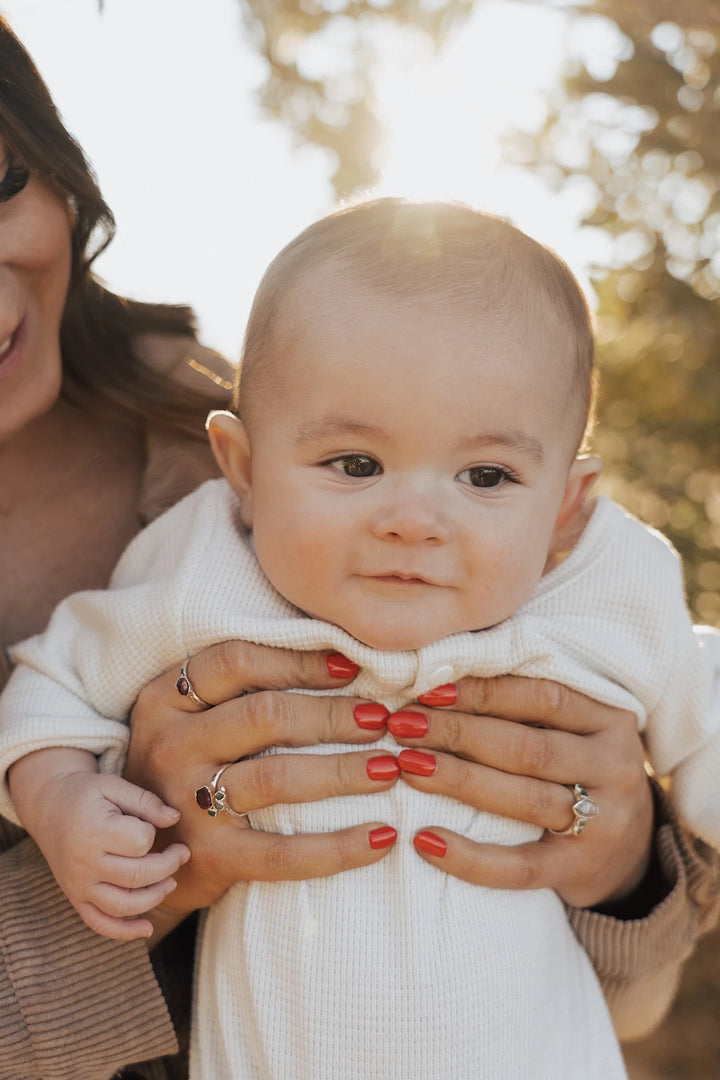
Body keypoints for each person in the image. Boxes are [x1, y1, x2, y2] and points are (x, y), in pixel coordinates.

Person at [0, 16, 716, 1080]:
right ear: (245, 469)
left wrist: (623, 864)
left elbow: (640, 982)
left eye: (1, 181)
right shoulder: (210, 559)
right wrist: (87, 824)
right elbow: (51, 693)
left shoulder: (592, 565)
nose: (414, 521)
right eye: (355, 467)